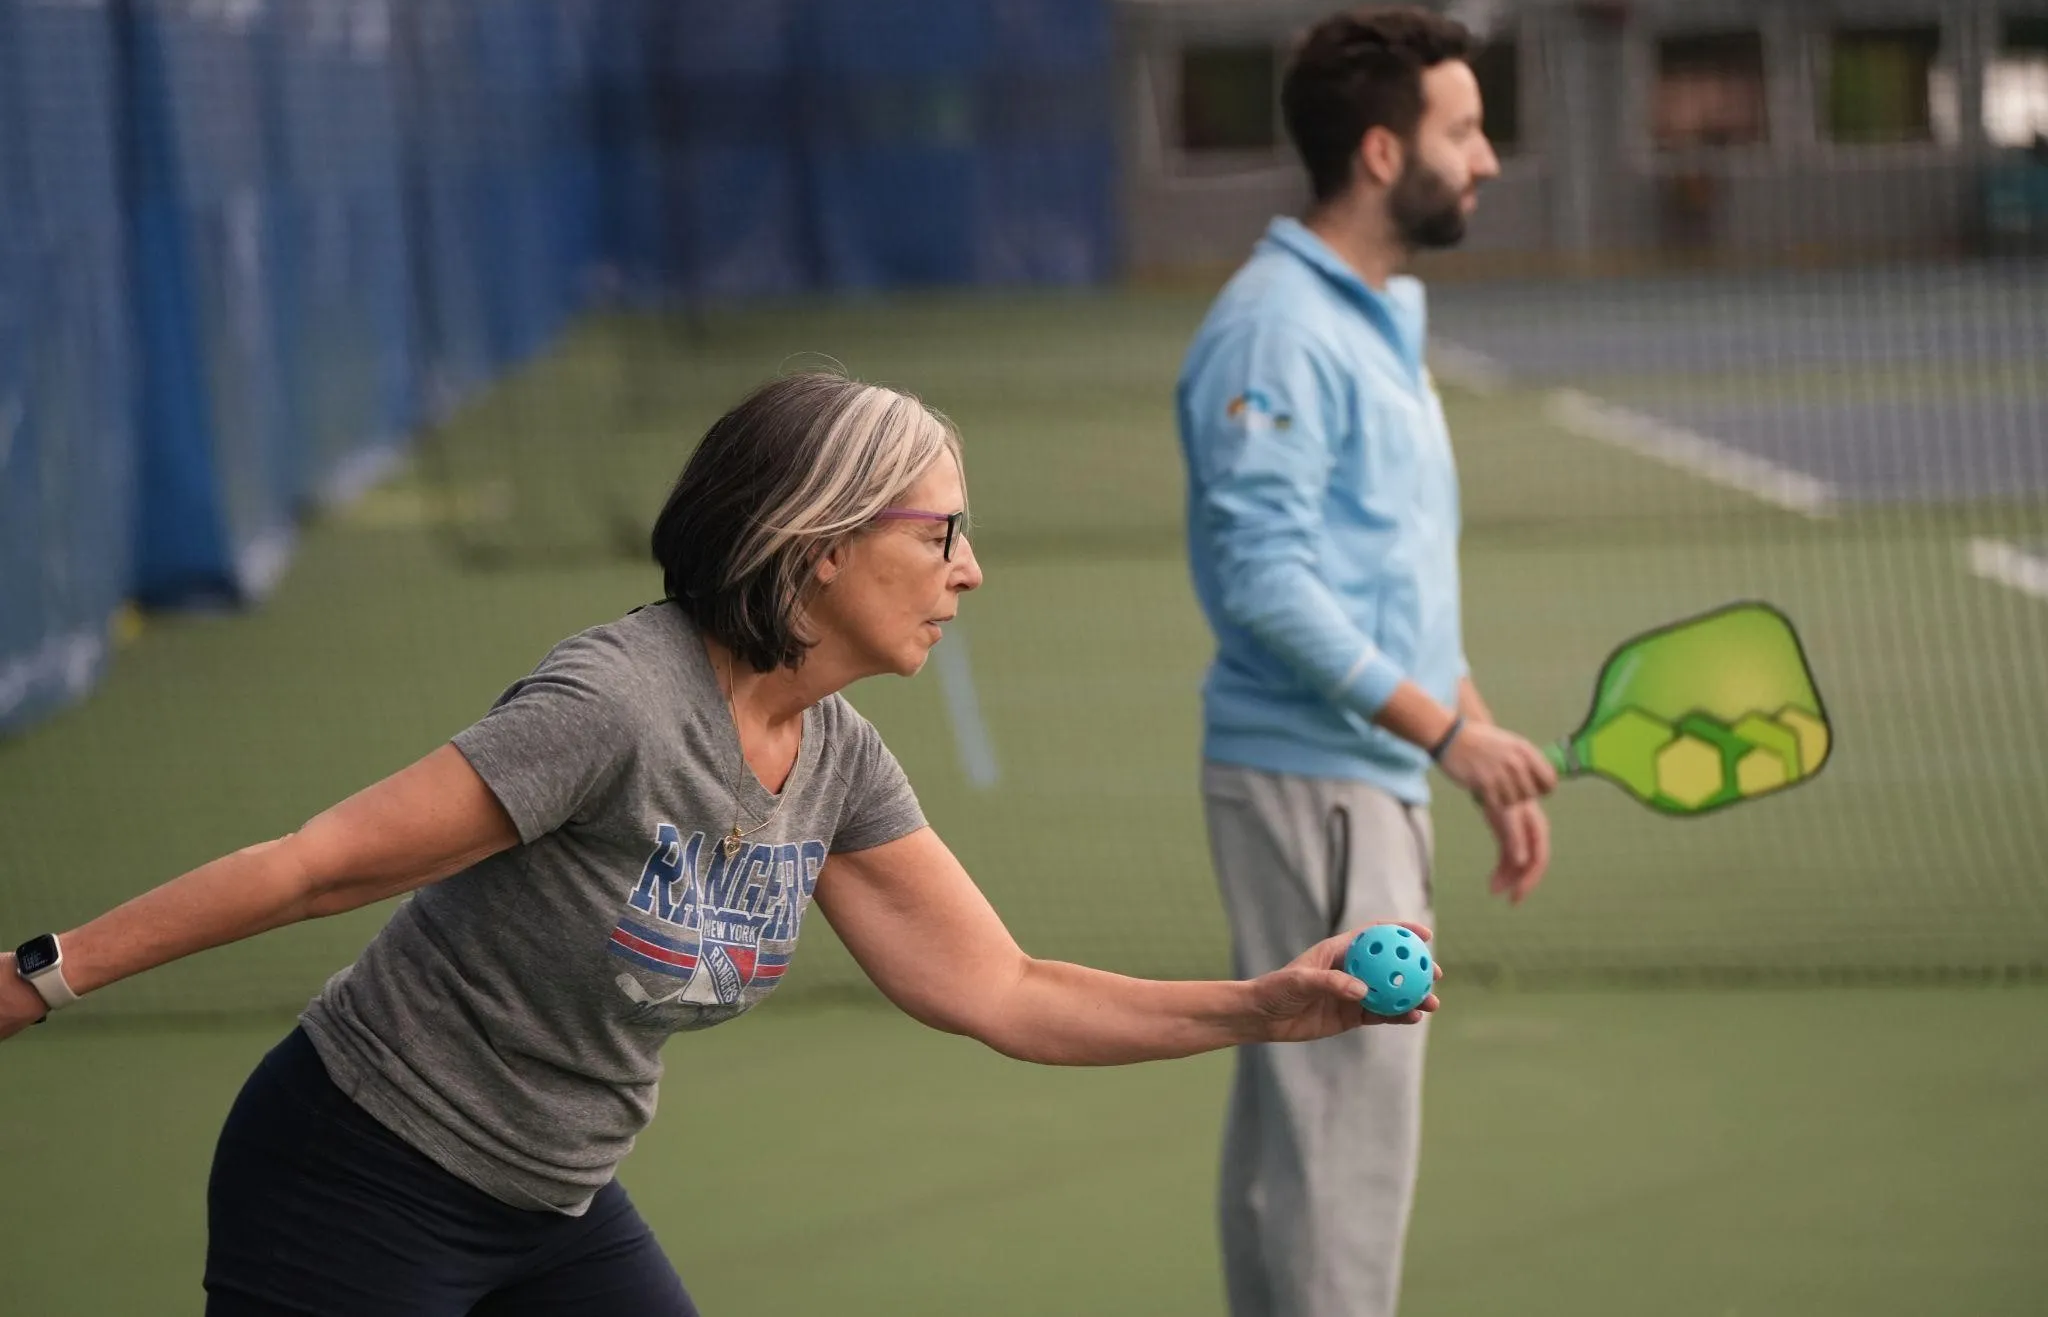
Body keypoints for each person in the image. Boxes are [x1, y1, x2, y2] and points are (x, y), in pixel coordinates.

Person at [2, 371, 1438, 1317]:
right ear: (820, 544)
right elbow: (323, 862)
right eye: (942, 532)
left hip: (554, 1205)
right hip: (357, 1176)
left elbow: (1004, 990)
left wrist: (1266, 1006)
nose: (971, 570)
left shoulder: (835, 762)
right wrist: (37, 978)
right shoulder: (618, 705)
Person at [1174, 7, 1559, 1317]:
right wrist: (1443, 736)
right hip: (1315, 782)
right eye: (1466, 130)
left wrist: (1473, 738)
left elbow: (1389, 572)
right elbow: (1268, 588)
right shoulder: (1278, 331)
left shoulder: (1379, 316)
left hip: (1366, 774)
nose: (1488, 158)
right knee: (1338, 1141)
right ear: (1387, 153)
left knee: (1313, 1138)